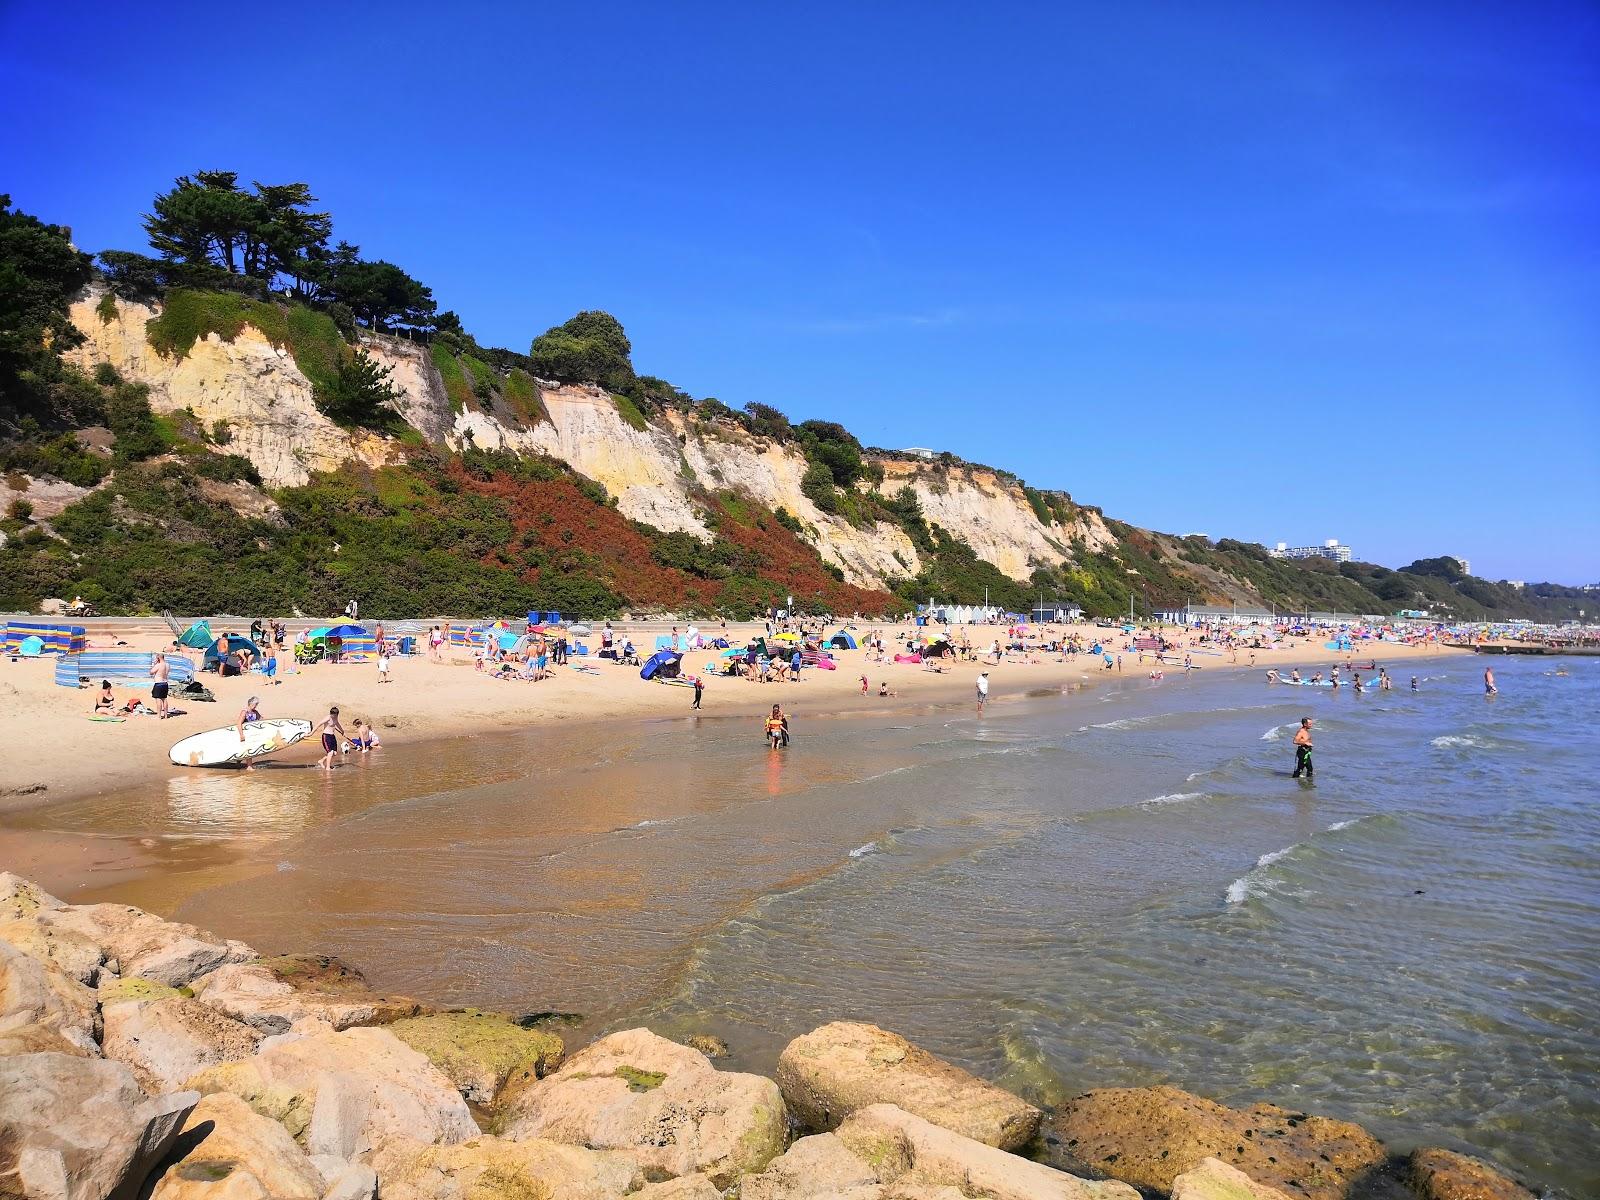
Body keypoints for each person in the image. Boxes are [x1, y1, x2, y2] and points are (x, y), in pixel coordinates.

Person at [149, 652, 171, 718]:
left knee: (158, 699)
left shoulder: (158, 665)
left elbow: (151, 672)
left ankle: (159, 715)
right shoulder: (167, 665)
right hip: (165, 683)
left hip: (159, 683)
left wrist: (155, 664)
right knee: (164, 699)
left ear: (158, 658)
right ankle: (166, 715)